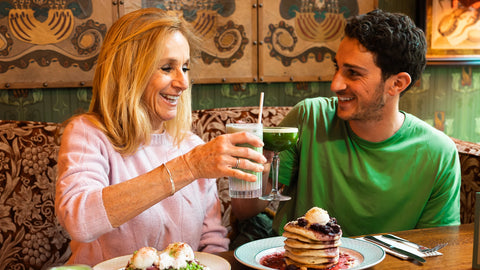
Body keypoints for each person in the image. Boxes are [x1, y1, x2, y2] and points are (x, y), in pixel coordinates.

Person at [55, 8, 267, 266]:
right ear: (129, 72)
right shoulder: (88, 133)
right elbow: (80, 221)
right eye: (167, 68)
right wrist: (190, 167)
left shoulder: (192, 146)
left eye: (185, 68)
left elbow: (212, 243)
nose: (183, 83)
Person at [232, 9, 461, 237]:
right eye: (337, 68)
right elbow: (245, 211)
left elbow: (437, 245)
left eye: (353, 73)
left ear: (397, 84)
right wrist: (253, 163)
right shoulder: (310, 116)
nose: (335, 84)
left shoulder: (439, 153)